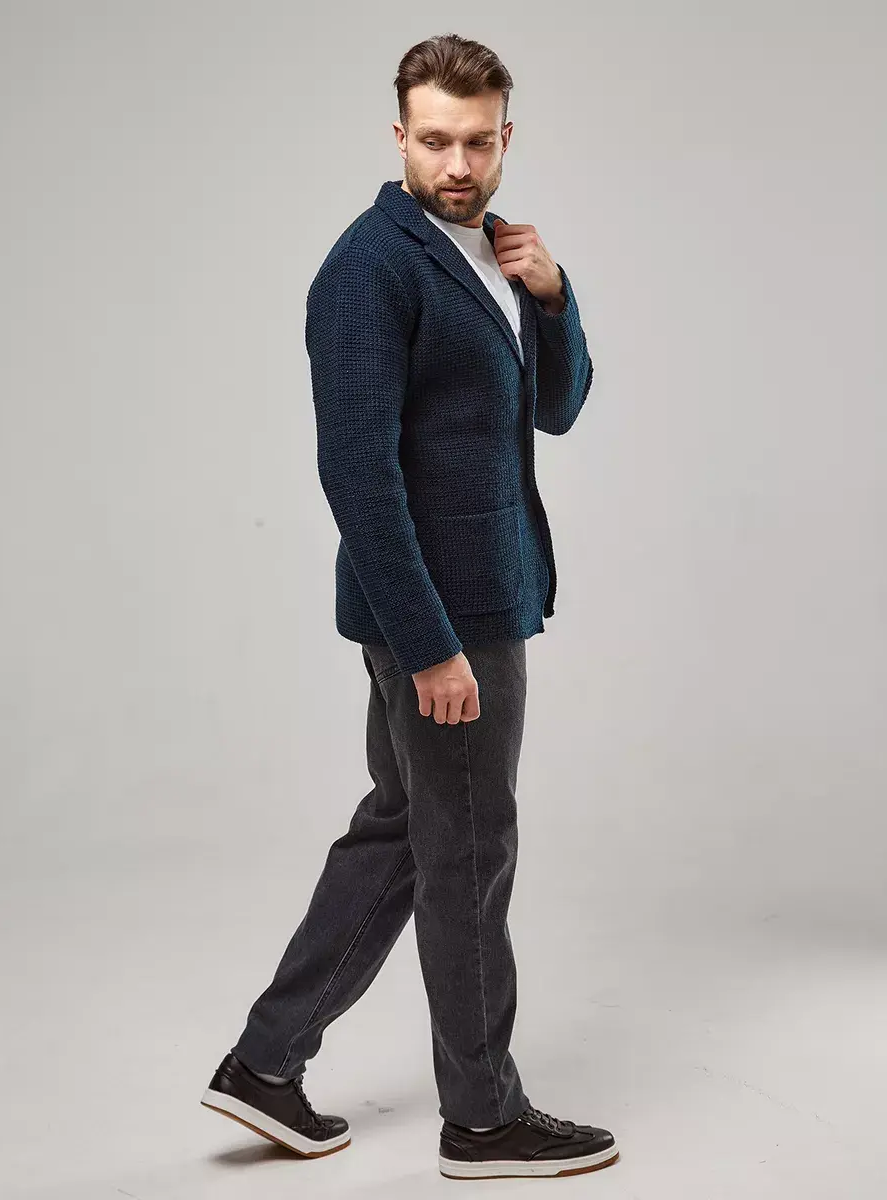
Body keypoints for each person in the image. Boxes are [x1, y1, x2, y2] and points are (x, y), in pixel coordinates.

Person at [200, 32, 619, 1181]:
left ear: (505, 138)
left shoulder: (490, 249)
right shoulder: (369, 268)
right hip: (443, 617)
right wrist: (431, 647)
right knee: (469, 851)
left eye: (478, 142)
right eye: (435, 141)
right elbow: (358, 474)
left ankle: (265, 1064)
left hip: (478, 597)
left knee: (407, 829)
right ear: (399, 137)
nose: (458, 165)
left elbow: (558, 408)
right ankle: (483, 1119)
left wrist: (553, 297)